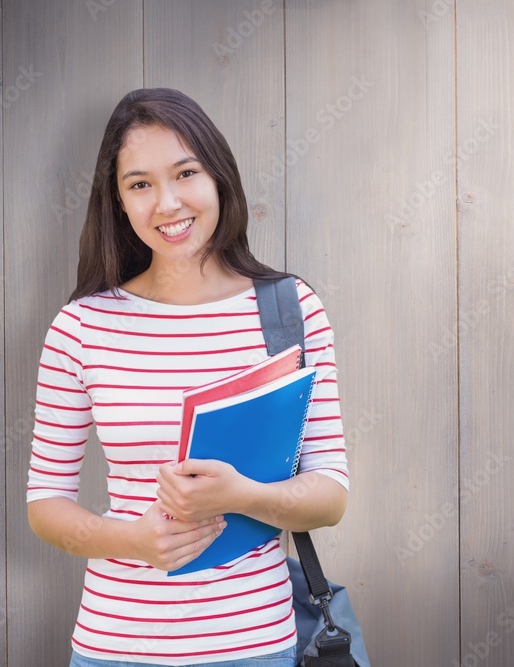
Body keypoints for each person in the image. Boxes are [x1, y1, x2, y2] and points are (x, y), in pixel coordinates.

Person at [26, 88, 349, 667]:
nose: (168, 203)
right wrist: (132, 541)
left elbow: (330, 496)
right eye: (140, 184)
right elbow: (46, 502)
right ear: (118, 202)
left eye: (185, 173)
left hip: (255, 647)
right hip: (114, 647)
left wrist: (243, 496)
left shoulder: (290, 311)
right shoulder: (82, 326)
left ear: (218, 177)